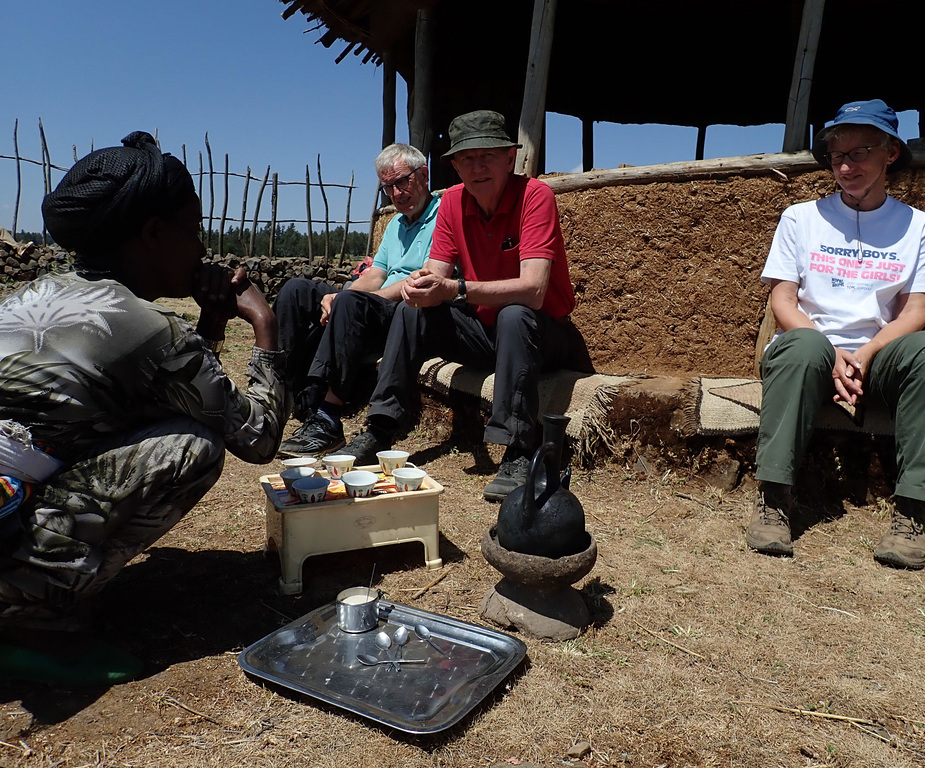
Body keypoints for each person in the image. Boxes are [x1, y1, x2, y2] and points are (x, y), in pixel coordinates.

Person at [0, 132, 289, 685]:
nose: (202, 249)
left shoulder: (34, 295)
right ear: (154, 234)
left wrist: (210, 322)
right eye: (194, 231)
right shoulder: (144, 327)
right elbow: (256, 437)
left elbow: (166, 387)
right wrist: (264, 326)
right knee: (191, 447)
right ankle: (36, 622)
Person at [747, 99, 925, 570]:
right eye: (836, 155)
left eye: (859, 153)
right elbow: (783, 302)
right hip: (808, 350)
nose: (845, 166)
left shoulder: (917, 226)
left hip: (879, 356)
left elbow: (917, 310)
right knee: (802, 346)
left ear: (890, 153)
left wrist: (865, 352)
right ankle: (773, 498)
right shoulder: (800, 218)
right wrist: (830, 351)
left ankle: (915, 510)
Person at [338, 110, 586, 502]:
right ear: (454, 166)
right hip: (487, 334)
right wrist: (422, 287)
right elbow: (436, 274)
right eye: (467, 158)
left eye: (488, 155)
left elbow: (535, 290)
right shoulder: (452, 202)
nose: (478, 166)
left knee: (516, 313)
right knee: (411, 310)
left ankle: (519, 449)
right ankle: (381, 429)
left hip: (543, 336)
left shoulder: (535, 196)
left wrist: (454, 288)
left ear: (510, 158)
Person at [274, 143, 440, 456]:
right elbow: (375, 274)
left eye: (402, 181)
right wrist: (341, 295)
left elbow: (422, 279)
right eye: (388, 187)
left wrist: (355, 301)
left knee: (351, 304)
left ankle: (327, 420)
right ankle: (288, 395)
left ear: (424, 174)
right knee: (297, 290)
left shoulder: (443, 217)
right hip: (375, 301)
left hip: (406, 308)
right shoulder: (395, 225)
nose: (396, 193)